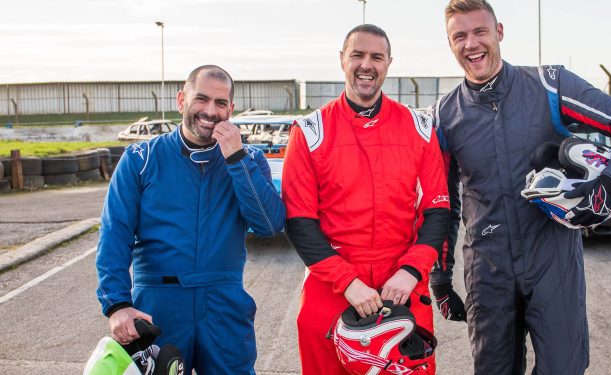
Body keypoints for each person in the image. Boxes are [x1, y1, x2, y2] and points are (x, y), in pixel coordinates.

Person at [429, 1, 611, 374]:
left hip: (552, 256)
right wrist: (440, 276)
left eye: (480, 31)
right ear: (450, 44)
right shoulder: (444, 115)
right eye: (460, 36)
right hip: (488, 266)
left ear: (499, 32)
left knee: (564, 368)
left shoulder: (550, 84)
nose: (472, 44)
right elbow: (444, 203)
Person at [282, 24, 450, 374]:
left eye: (376, 56)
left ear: (389, 63)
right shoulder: (310, 131)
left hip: (401, 282)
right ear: (342, 59)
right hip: (333, 283)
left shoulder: (419, 128)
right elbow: (299, 222)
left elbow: (437, 210)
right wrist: (347, 282)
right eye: (357, 55)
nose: (366, 65)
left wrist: (411, 271)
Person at [96, 65, 285, 374]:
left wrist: (235, 160)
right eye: (202, 99)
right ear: (181, 100)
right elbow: (115, 234)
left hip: (224, 302)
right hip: (158, 305)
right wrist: (117, 304)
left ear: (230, 109)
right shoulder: (140, 159)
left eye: (220, 103)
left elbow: (269, 224)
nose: (210, 111)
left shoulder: (248, 159)